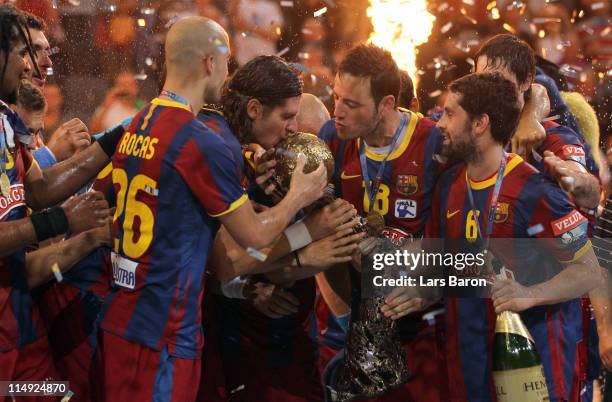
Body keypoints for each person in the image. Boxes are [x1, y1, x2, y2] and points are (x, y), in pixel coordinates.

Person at [93, 17, 327, 401]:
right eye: (226, 59)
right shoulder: (202, 139)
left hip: (122, 315)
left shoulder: (139, 122)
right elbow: (247, 240)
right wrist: (300, 201)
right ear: (209, 62)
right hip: (164, 331)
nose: (228, 70)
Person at [419, 72, 600, 401]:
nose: (439, 124)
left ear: (479, 124)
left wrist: (530, 294)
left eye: (450, 113)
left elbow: (589, 270)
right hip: (469, 369)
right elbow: (437, 267)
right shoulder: (447, 187)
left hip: (529, 371)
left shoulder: (533, 190)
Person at [196, 56, 361, 402]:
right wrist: (305, 246)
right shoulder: (224, 150)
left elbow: (224, 267)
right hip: (218, 339)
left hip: (289, 344)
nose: (293, 136)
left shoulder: (242, 153)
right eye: (288, 119)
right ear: (254, 109)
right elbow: (226, 263)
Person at [316, 44, 449, 401]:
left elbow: (467, 244)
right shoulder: (331, 139)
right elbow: (318, 242)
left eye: (352, 104)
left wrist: (428, 286)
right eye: (336, 97)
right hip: (350, 321)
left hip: (420, 329)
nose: (337, 111)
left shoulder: (435, 145)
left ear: (387, 104)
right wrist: (345, 322)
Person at [0, 4, 121, 389]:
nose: (30, 66)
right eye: (22, 52)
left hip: (17, 305)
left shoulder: (6, 121)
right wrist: (64, 220)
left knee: (52, 392)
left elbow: (39, 188)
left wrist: (121, 135)